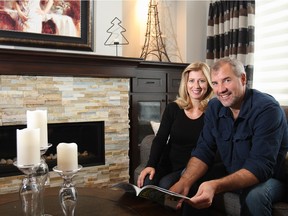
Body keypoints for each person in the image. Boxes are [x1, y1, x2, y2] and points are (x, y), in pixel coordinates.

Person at [170, 57, 288, 215]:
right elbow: (204, 151)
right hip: (232, 169)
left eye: (226, 80)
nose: (220, 89)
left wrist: (216, 185)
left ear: (243, 79)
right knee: (189, 181)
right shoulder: (214, 106)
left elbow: (260, 167)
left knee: (255, 196)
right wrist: (184, 181)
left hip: (270, 177)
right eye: (215, 83)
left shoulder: (267, 110)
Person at [137, 62, 214, 189]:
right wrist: (150, 165)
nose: (196, 86)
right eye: (191, 81)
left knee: (166, 185)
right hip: (167, 164)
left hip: (190, 170)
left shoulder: (212, 112)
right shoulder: (173, 108)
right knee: (147, 183)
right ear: (186, 83)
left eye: (202, 81)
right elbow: (160, 139)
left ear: (209, 84)